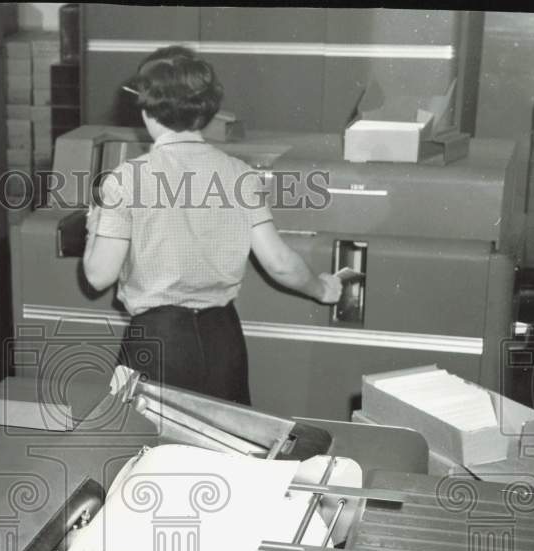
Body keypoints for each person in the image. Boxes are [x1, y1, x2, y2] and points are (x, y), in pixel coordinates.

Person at [83, 46, 342, 405]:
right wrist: (322, 288)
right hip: (224, 340)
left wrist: (96, 219)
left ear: (147, 110)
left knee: (147, 454)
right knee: (225, 453)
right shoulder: (240, 175)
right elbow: (280, 263)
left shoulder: (126, 179)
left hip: (158, 341)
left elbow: (98, 275)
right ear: (208, 111)